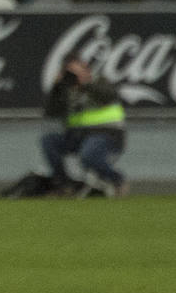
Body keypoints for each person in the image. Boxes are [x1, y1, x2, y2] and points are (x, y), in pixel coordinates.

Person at [41, 52, 127, 197]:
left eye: (76, 70)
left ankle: (117, 180)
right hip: (78, 135)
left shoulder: (100, 81)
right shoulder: (66, 90)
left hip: (107, 133)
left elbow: (109, 96)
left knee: (89, 155)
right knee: (49, 141)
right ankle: (64, 184)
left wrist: (85, 84)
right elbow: (50, 113)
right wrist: (57, 88)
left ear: (85, 68)